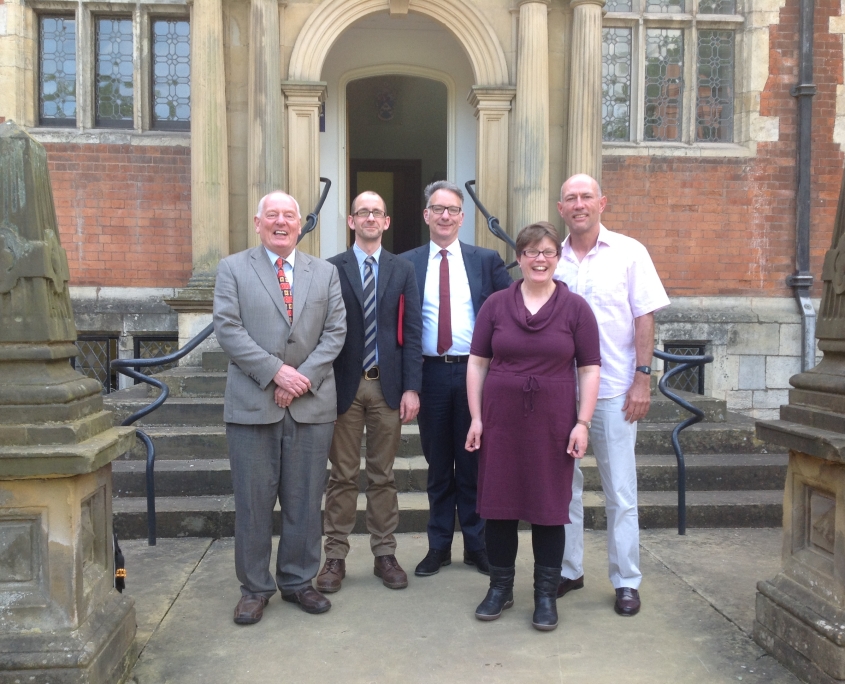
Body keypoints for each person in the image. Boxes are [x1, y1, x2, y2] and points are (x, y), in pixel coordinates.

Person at [213, 191, 346, 625]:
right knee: (253, 503)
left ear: (299, 224)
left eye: (289, 215)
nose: (281, 222)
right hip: (253, 404)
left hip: (311, 404)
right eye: (272, 215)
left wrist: (299, 378)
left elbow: (335, 333)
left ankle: (298, 581)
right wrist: (276, 373)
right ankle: (254, 588)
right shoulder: (233, 269)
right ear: (258, 223)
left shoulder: (324, 273)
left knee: (305, 500)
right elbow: (228, 329)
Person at [465, 221, 600, 631]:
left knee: (548, 509)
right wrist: (476, 418)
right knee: (500, 507)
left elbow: (590, 369)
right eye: (531, 252)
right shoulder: (495, 305)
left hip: (553, 423)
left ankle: (544, 595)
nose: (540, 259)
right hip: (501, 421)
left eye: (548, 252)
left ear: (558, 258)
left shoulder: (576, 309)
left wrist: (582, 422)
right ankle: (500, 588)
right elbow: (477, 363)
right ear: (519, 258)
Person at [554, 174, 670, 617]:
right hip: (561, 391)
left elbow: (644, 317)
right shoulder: (552, 258)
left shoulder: (629, 252)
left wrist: (643, 378)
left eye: (586, 196)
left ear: (602, 203)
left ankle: (626, 581)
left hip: (615, 390)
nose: (579, 204)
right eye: (570, 198)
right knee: (564, 489)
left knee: (620, 490)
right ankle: (569, 570)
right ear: (561, 208)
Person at [400, 181, 512, 578]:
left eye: (452, 209)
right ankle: (439, 546)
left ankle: (477, 546)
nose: (444, 216)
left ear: (462, 217)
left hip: (475, 374)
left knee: (473, 462)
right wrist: (409, 384)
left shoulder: (487, 260)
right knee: (437, 465)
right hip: (429, 374)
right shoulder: (406, 263)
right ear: (426, 215)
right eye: (437, 209)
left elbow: (509, 314)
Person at [317, 191, 423, 593]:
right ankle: (335, 557)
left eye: (377, 212)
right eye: (363, 212)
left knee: (382, 476)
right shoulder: (331, 269)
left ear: (386, 221)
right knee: (342, 476)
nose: (370, 218)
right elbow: (322, 330)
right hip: (343, 386)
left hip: (387, 387)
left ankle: (385, 554)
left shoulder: (403, 269)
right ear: (351, 221)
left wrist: (412, 387)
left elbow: (412, 331)